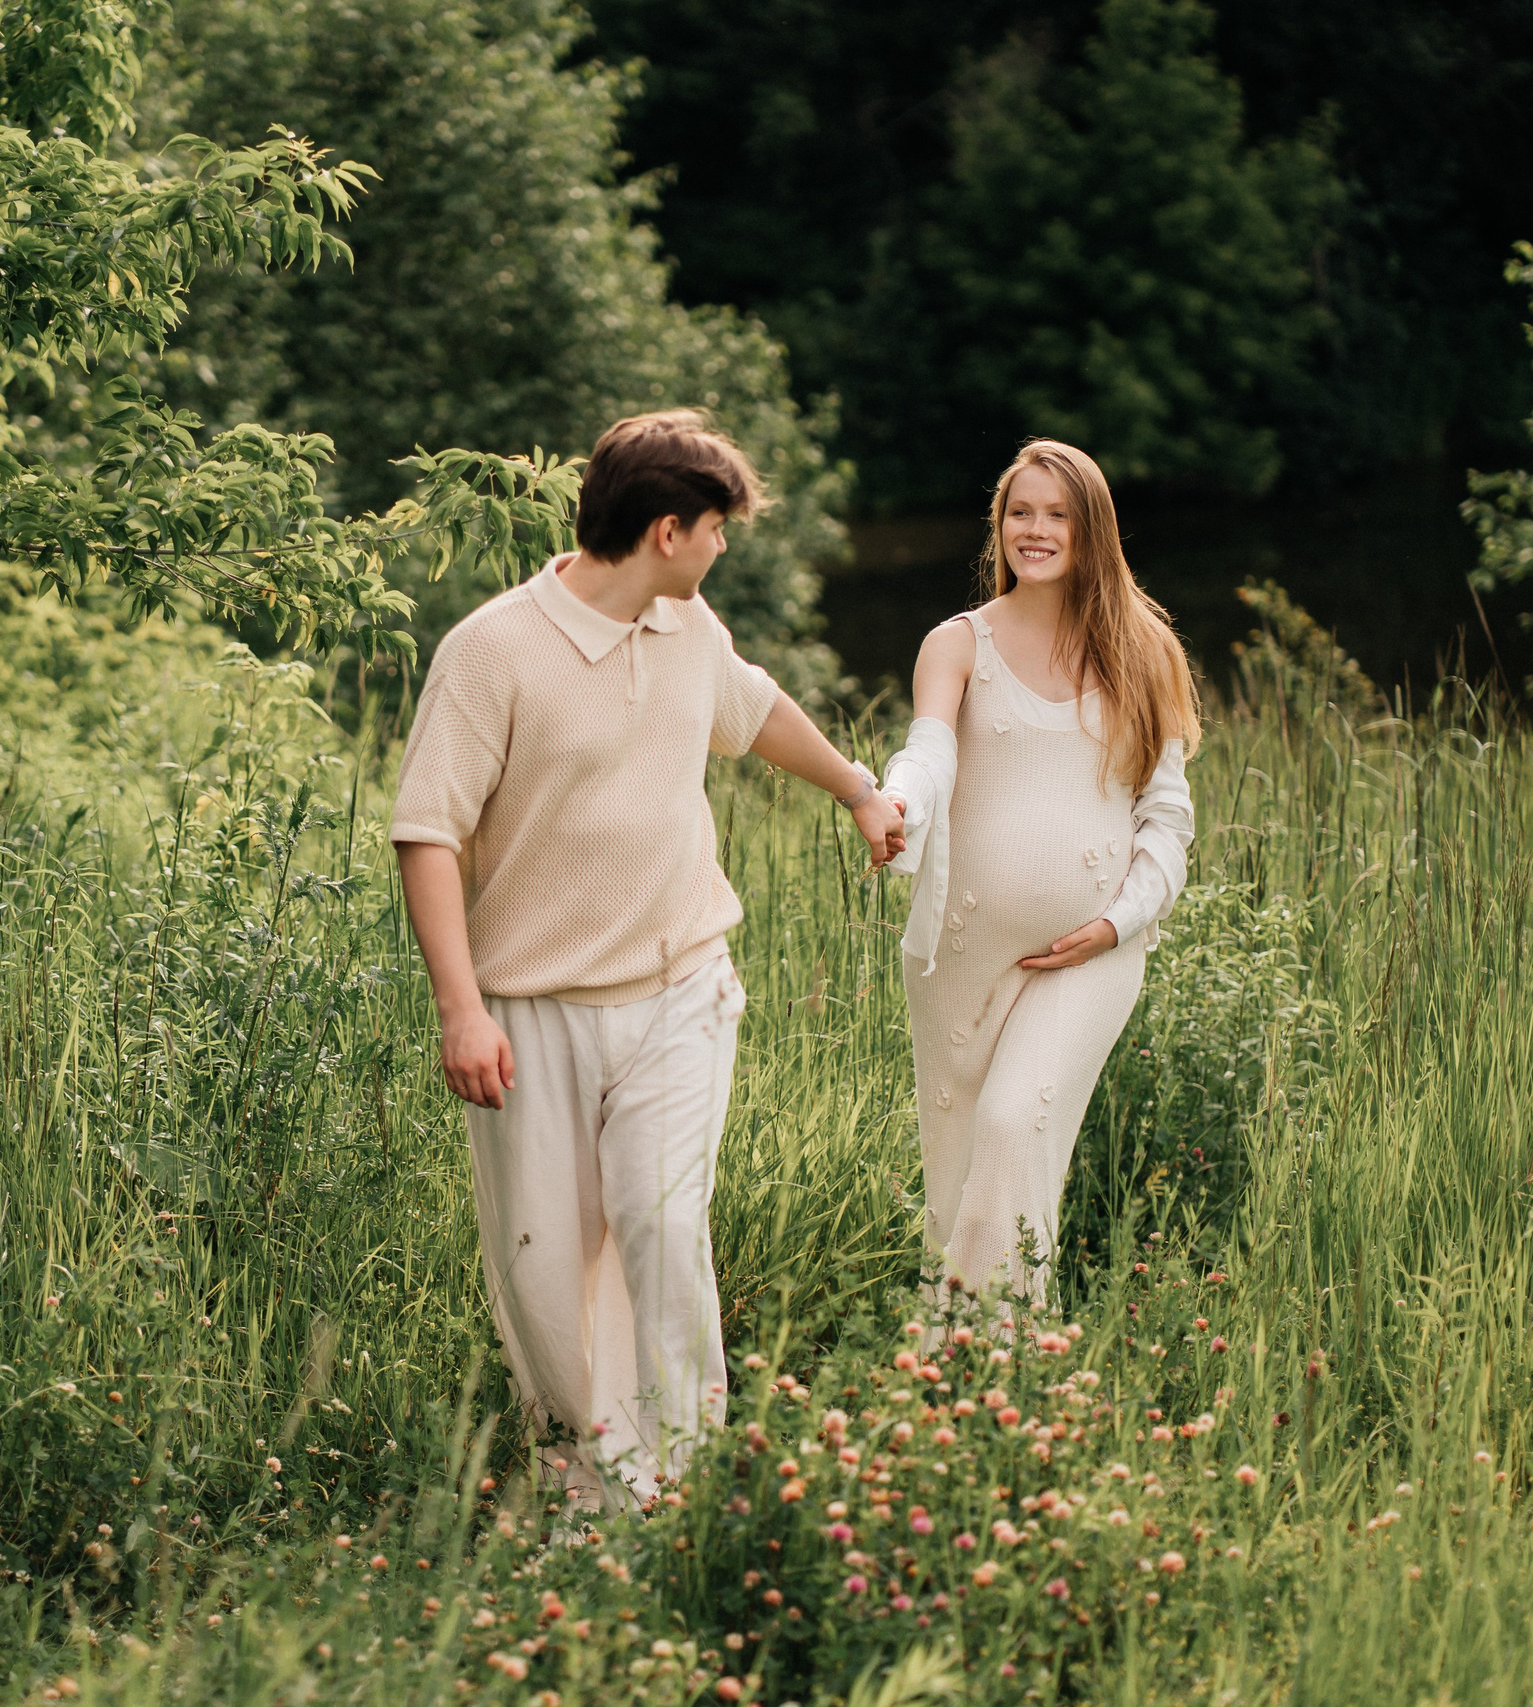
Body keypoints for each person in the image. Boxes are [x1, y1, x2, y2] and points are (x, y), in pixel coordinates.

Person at [391, 411, 905, 1509]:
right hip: (531, 1011)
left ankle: (673, 1484)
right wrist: (460, 1008)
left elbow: (752, 708)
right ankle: (584, 1468)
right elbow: (427, 832)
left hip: (680, 985)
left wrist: (858, 792)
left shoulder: (689, 626)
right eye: (716, 530)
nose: (724, 549)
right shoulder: (492, 650)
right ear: (667, 530)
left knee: (661, 1223)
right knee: (543, 1267)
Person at [881, 440, 1199, 1303]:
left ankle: (1004, 1369)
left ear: (1092, 529)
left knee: (1015, 1123)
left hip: (1090, 949)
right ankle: (955, 1376)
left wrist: (1116, 921)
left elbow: (1166, 818)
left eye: (1057, 513)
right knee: (958, 1179)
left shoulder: (1144, 652)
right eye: (1021, 510)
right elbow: (929, 751)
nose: (1036, 528)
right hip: (961, 950)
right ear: (1000, 523)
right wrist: (896, 802)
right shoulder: (957, 644)